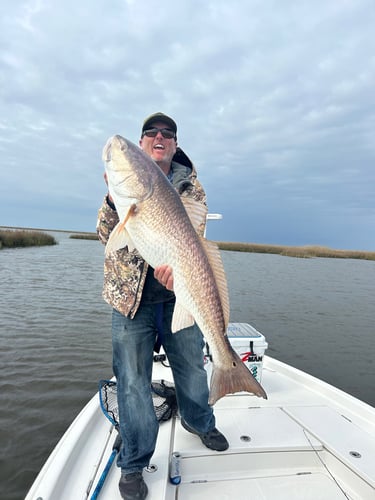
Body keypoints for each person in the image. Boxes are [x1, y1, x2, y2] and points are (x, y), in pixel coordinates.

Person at [96, 112, 228, 500]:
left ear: (174, 144)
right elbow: (107, 234)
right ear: (143, 143)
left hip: (178, 295)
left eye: (167, 134)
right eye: (150, 133)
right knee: (133, 383)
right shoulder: (122, 191)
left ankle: (200, 421)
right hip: (129, 300)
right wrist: (110, 198)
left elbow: (195, 241)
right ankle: (134, 462)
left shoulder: (192, 188)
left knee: (191, 369)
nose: (158, 137)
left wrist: (178, 277)